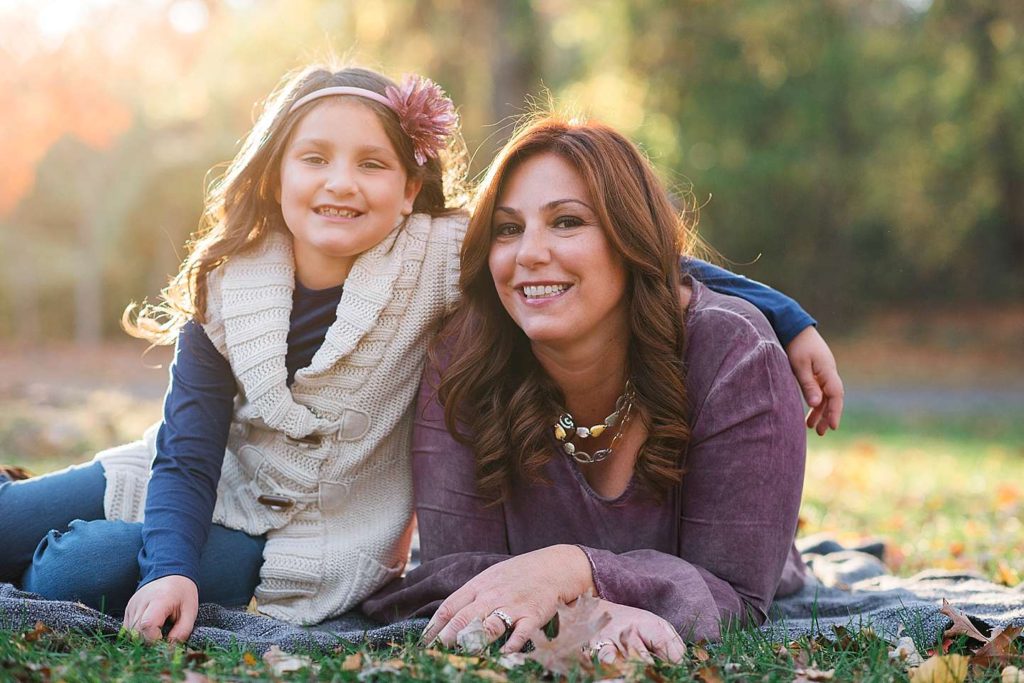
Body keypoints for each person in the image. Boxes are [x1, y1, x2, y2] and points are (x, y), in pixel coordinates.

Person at [0, 65, 837, 644]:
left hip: (312, 535)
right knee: (32, 524)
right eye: (315, 159)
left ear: (410, 190)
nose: (342, 183)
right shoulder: (233, 283)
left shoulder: (437, 257)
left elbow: (634, 248)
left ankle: (84, 545)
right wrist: (173, 559)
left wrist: (787, 315)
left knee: (73, 564)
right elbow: (185, 452)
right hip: (191, 478)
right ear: (273, 177)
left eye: (372, 163)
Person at [362, 115, 812, 662]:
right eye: (508, 229)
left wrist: (575, 570)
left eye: (567, 222)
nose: (528, 252)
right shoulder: (466, 355)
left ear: (630, 239)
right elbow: (455, 578)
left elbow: (736, 593)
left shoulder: (736, 353)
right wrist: (588, 606)